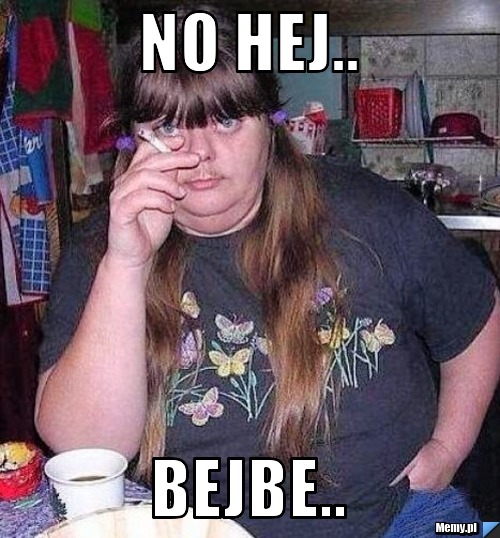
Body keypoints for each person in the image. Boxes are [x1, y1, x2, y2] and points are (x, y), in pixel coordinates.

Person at [35, 5, 500, 537]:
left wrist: (447, 448)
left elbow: (475, 316)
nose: (199, 153)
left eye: (227, 120)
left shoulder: (367, 211)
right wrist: (127, 263)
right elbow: (86, 451)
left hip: (394, 521)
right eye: (168, 125)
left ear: (271, 125)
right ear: (134, 138)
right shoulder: (102, 247)